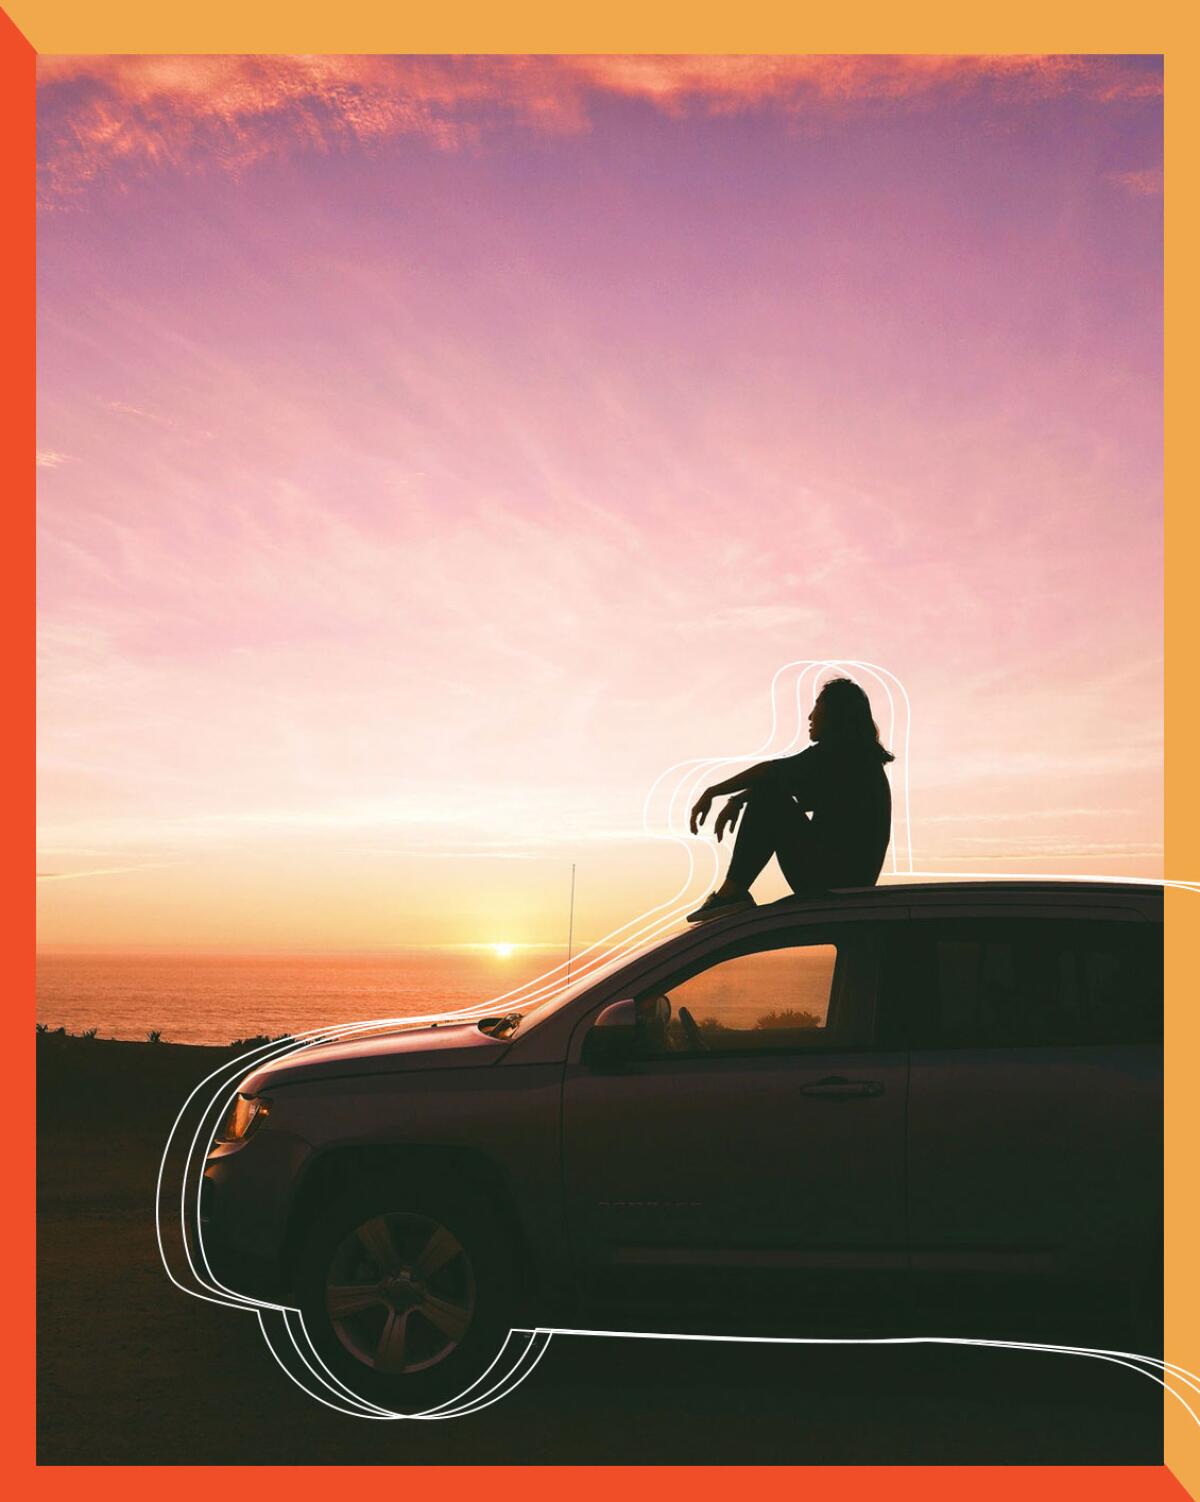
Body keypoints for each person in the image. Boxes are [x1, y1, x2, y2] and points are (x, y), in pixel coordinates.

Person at [686, 677, 894, 923]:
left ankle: (732, 892)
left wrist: (713, 791)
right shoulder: (857, 763)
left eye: (817, 706)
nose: (809, 716)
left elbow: (770, 774)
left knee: (767, 798)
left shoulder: (840, 754)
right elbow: (787, 786)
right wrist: (738, 799)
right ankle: (733, 892)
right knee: (768, 795)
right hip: (843, 883)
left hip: (833, 885)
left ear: (835, 714)